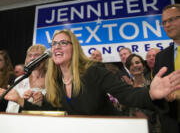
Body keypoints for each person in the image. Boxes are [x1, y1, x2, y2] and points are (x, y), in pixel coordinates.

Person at [1, 29, 180, 118]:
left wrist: (150, 92)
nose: (56, 47)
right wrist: (20, 99)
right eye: (54, 43)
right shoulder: (57, 80)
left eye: (63, 43)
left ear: (75, 48)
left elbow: (127, 95)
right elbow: (54, 108)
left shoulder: (93, 71)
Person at [153, 4, 180, 133]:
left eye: (172, 19)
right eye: (164, 22)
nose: (167, 25)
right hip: (171, 125)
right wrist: (164, 94)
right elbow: (154, 91)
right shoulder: (160, 57)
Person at [5, 44, 47, 113]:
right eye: (30, 55)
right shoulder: (20, 80)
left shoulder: (52, 80)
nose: (32, 58)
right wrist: (22, 99)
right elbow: (11, 108)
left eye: (37, 55)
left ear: (46, 59)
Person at [126, 54, 161, 133]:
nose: (135, 65)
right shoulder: (127, 90)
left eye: (137, 62)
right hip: (133, 128)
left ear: (143, 66)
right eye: (131, 64)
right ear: (129, 69)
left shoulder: (152, 86)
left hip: (153, 128)